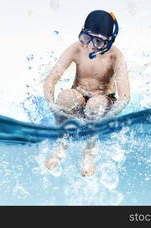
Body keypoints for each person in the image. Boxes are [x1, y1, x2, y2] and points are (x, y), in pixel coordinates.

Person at [43, 10, 131, 176]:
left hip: (102, 102)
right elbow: (50, 80)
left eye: (98, 42)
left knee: (95, 104)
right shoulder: (77, 48)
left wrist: (108, 117)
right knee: (65, 97)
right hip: (79, 97)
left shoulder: (116, 56)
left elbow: (125, 97)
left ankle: (89, 153)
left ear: (110, 40)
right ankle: (60, 147)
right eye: (86, 38)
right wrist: (51, 105)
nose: (90, 45)